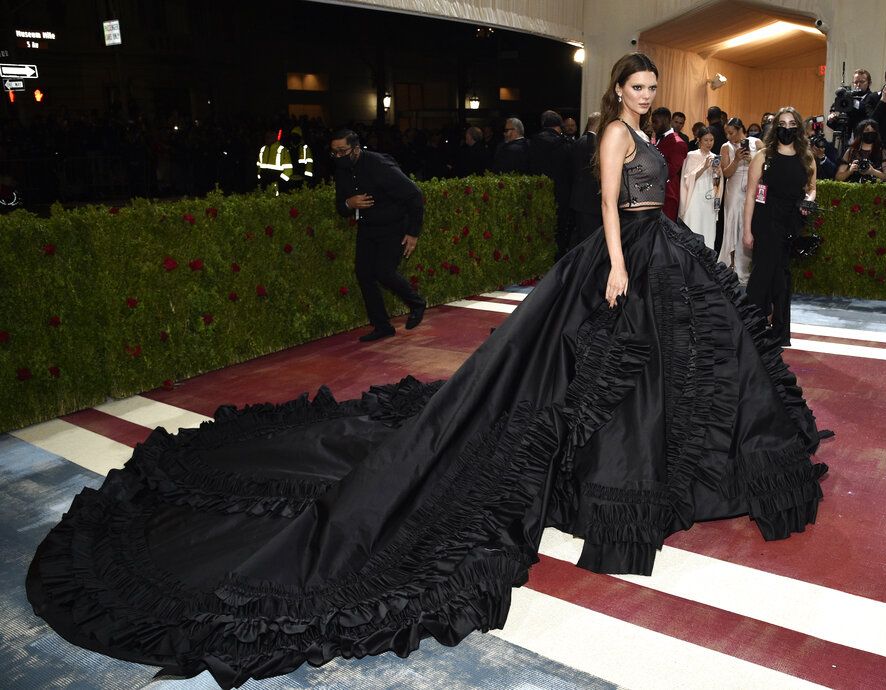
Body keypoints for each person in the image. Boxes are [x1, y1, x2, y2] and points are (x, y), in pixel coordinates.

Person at [26, 53, 828, 689]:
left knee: (654, 382)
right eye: (637, 84)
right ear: (617, 90)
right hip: (628, 261)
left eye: (653, 86)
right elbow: (611, 206)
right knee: (599, 383)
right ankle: (609, 482)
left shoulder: (651, 132)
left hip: (664, 258)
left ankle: (652, 477)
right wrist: (617, 269)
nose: (646, 94)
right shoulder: (616, 137)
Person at [331, 129, 427, 341]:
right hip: (367, 228)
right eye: (334, 152)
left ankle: (417, 303)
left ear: (355, 149)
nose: (338, 156)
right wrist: (350, 203)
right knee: (364, 273)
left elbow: (415, 195)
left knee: (384, 272)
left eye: (342, 151)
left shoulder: (380, 165)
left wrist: (413, 233)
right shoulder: (342, 169)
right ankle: (382, 326)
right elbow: (340, 205)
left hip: (393, 227)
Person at [743, 107, 817, 347]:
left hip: (791, 222)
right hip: (765, 220)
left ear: (799, 127)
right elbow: (751, 195)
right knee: (763, 273)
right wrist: (746, 230)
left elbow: (812, 187)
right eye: (782, 123)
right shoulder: (764, 156)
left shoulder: (806, 157)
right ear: (775, 128)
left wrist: (809, 200)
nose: (787, 128)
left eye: (791, 123)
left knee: (783, 277)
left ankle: (779, 332)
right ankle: (751, 327)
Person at [718, 118, 762, 283]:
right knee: (732, 225)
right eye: (726, 133)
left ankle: (745, 267)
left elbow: (766, 168)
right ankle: (730, 265)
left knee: (747, 225)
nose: (729, 137)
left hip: (752, 188)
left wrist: (752, 160)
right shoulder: (725, 147)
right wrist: (736, 159)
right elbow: (726, 173)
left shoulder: (757, 143)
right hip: (734, 189)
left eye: (731, 132)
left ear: (740, 129)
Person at [529, 110, 574, 258]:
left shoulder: (532, 143)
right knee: (559, 229)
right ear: (559, 126)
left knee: (540, 228)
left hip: (538, 191)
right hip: (561, 192)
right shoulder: (565, 144)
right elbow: (570, 171)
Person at [678, 126, 720, 249]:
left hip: (709, 197)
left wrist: (717, 172)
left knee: (708, 229)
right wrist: (704, 167)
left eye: (711, 140)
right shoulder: (692, 155)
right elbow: (688, 179)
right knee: (694, 225)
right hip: (694, 196)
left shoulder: (715, 156)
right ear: (699, 140)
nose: (709, 143)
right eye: (706, 140)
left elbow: (717, 182)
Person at [568, 112, 602, 247]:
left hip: (578, 198)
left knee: (581, 238)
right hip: (591, 201)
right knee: (589, 241)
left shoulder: (578, 141)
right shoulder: (593, 144)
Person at [651, 106, 688, 221]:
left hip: (668, 196)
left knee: (666, 233)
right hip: (654, 193)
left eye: (655, 122)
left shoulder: (678, 143)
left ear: (666, 121)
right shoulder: (657, 138)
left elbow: (670, 171)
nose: (653, 125)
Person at [256, 129, 293, 196]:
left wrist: (279, 182)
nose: (266, 139)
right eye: (266, 137)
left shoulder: (283, 150)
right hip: (264, 183)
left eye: (269, 137)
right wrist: (259, 178)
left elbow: (289, 170)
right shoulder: (263, 149)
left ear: (274, 138)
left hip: (278, 185)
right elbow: (259, 165)